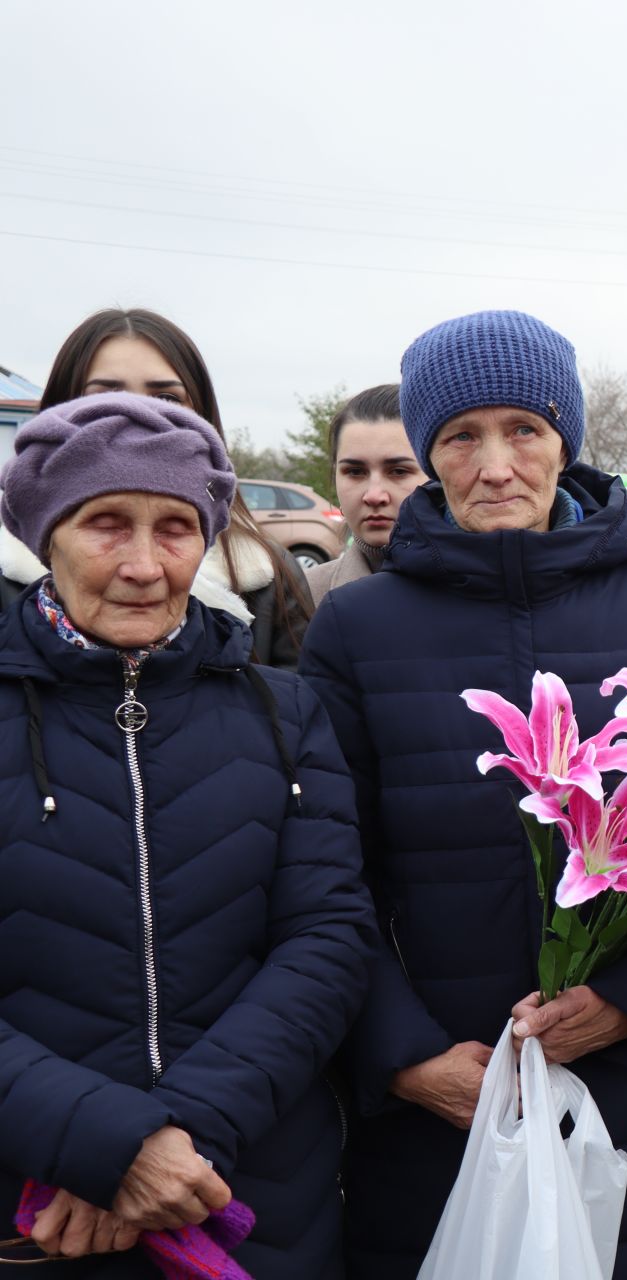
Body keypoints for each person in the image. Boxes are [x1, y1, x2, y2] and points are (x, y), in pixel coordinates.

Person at [298, 311, 627, 1279]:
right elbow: (319, 870)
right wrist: (403, 1057)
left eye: (525, 430)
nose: (496, 464)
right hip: (450, 1097)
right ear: (429, 454)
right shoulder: (355, 626)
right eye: (461, 436)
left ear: (566, 442)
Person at [0, 392, 373, 1277]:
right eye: (104, 523)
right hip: (39, 1207)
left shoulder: (285, 713)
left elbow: (327, 939)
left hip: (246, 1188)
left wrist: (171, 1143)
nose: (141, 564)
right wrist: (101, 1145)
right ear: (44, 533)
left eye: (174, 527)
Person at [31, 309, 315, 669]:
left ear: (203, 419)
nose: (140, 416)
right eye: (106, 397)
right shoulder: (9, 575)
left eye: (166, 398)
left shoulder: (264, 572)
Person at [303, 384, 423, 605]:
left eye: (398, 471)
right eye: (355, 472)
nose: (374, 495)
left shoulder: (488, 591)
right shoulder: (304, 597)